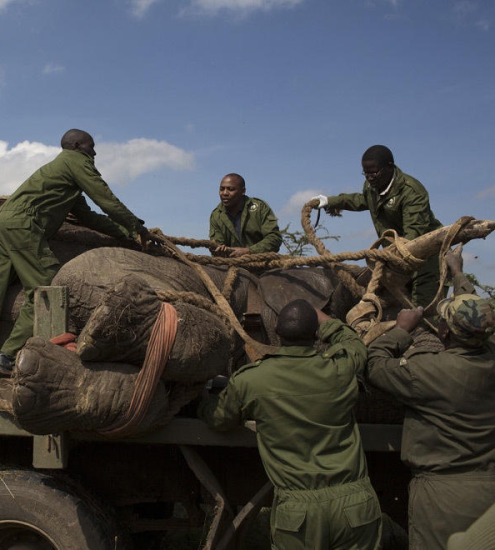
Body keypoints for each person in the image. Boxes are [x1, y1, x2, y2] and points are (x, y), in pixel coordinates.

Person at [0, 129, 157, 392]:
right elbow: (105, 198)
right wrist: (138, 227)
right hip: (23, 226)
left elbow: (89, 216)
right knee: (48, 288)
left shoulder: (62, 174)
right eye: (91, 147)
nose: (94, 153)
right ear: (78, 146)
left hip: (2, 223)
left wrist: (126, 233)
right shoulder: (75, 161)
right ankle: (9, 355)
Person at [199, 299, 382, 549]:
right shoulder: (340, 369)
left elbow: (219, 419)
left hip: (299, 514)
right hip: (355, 506)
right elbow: (353, 343)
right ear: (315, 334)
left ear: (276, 331)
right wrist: (324, 319)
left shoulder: (252, 380)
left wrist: (203, 401)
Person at [365, 245, 495, 550]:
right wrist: (458, 273)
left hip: (443, 498)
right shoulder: (489, 351)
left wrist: (401, 330)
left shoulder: (427, 371)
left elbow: (374, 365)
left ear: (444, 333)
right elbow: (478, 316)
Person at [312, 145, 442, 307]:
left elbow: (413, 235)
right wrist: (330, 201)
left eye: (373, 173)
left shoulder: (411, 192)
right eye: (365, 173)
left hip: (426, 260)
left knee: (423, 310)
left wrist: (387, 259)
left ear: (389, 166)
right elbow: (361, 200)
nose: (369, 178)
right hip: (396, 260)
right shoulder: (371, 187)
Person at [208, 173, 282, 257]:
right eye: (221, 189)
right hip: (231, 264)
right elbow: (217, 243)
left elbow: (274, 238)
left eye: (231, 189)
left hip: (262, 262)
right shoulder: (216, 215)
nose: (225, 193)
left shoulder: (260, 208)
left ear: (242, 191)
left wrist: (249, 251)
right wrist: (218, 250)